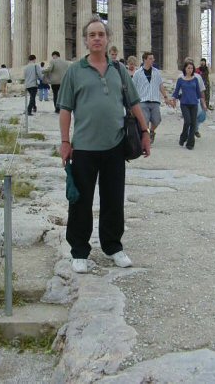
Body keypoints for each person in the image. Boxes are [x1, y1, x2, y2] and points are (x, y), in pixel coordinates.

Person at [57, 15, 151, 274]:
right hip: (84, 148)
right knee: (80, 202)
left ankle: (113, 246)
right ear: (86, 41)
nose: (97, 38)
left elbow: (133, 103)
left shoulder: (119, 70)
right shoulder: (74, 72)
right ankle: (79, 250)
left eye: (101, 34)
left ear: (108, 39)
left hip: (115, 146)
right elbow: (65, 109)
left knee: (113, 200)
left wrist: (145, 132)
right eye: (92, 35)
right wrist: (65, 141)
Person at [132, 51, 170, 144]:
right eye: (150, 58)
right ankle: (147, 137)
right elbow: (133, 87)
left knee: (157, 119)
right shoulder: (137, 73)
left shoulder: (156, 72)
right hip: (143, 100)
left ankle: (152, 131)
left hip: (155, 100)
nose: (153, 60)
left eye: (153, 58)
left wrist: (165, 96)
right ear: (145, 60)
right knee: (145, 120)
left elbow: (160, 85)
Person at [171, 60, 207, 150]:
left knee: (193, 123)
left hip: (194, 103)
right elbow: (176, 91)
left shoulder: (195, 79)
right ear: (185, 69)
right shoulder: (180, 80)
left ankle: (190, 144)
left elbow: (199, 93)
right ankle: (183, 137)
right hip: (184, 104)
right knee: (187, 121)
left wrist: (204, 104)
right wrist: (173, 100)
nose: (190, 70)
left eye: (191, 68)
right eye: (188, 68)